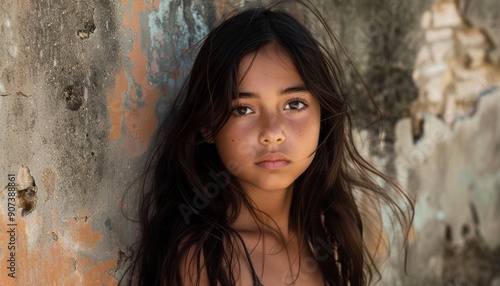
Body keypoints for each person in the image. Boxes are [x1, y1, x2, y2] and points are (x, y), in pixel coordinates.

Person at [125, 1, 414, 285]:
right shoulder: (208, 261)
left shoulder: (327, 238)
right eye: (243, 109)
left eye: (294, 104)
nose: (272, 132)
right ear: (207, 125)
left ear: (323, 116)